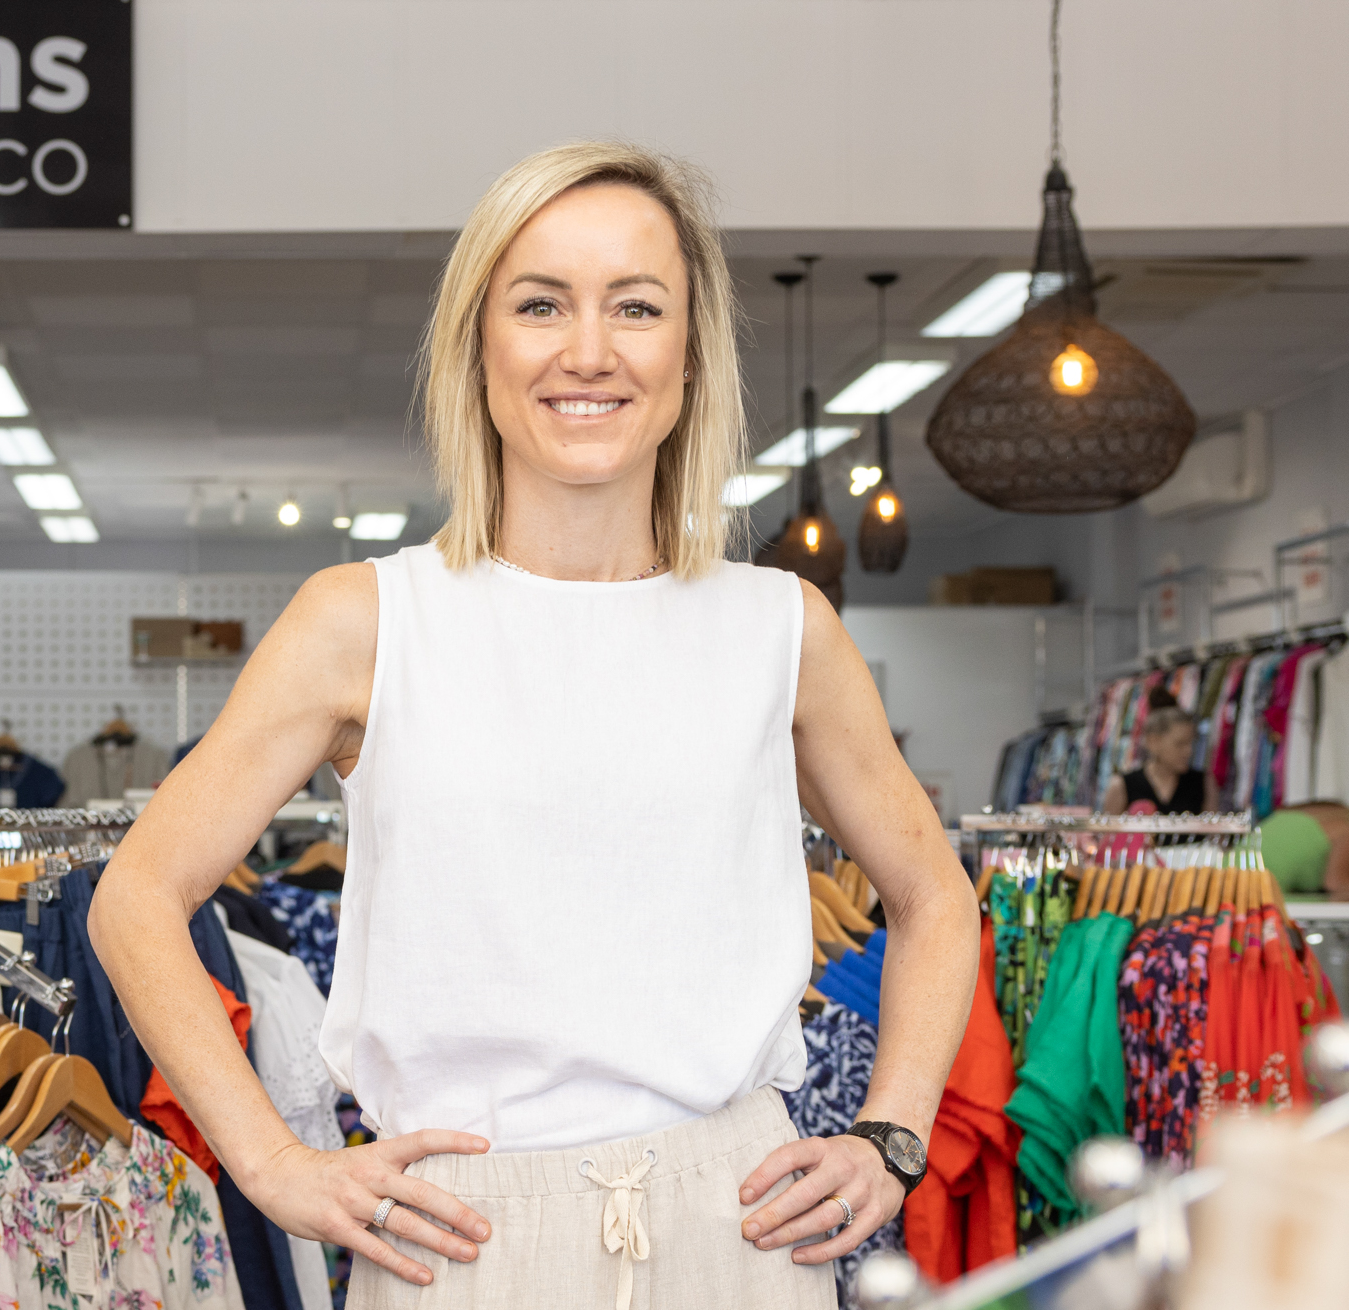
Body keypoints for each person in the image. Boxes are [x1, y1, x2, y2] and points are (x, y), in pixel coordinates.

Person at [89, 142, 980, 1308]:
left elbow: (933, 896)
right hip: (465, 1237)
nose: (589, 351)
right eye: (542, 304)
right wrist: (270, 1164)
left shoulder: (783, 628)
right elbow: (135, 897)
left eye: (637, 306)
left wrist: (893, 1136)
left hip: (744, 1227)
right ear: (481, 343)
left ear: (690, 351)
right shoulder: (364, 621)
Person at [1099, 687, 1217, 818]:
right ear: (1153, 742)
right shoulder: (1122, 786)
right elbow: (1108, 837)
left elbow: (1215, 836)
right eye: (1180, 744)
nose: (1189, 751)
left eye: (1191, 743)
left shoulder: (1203, 783)